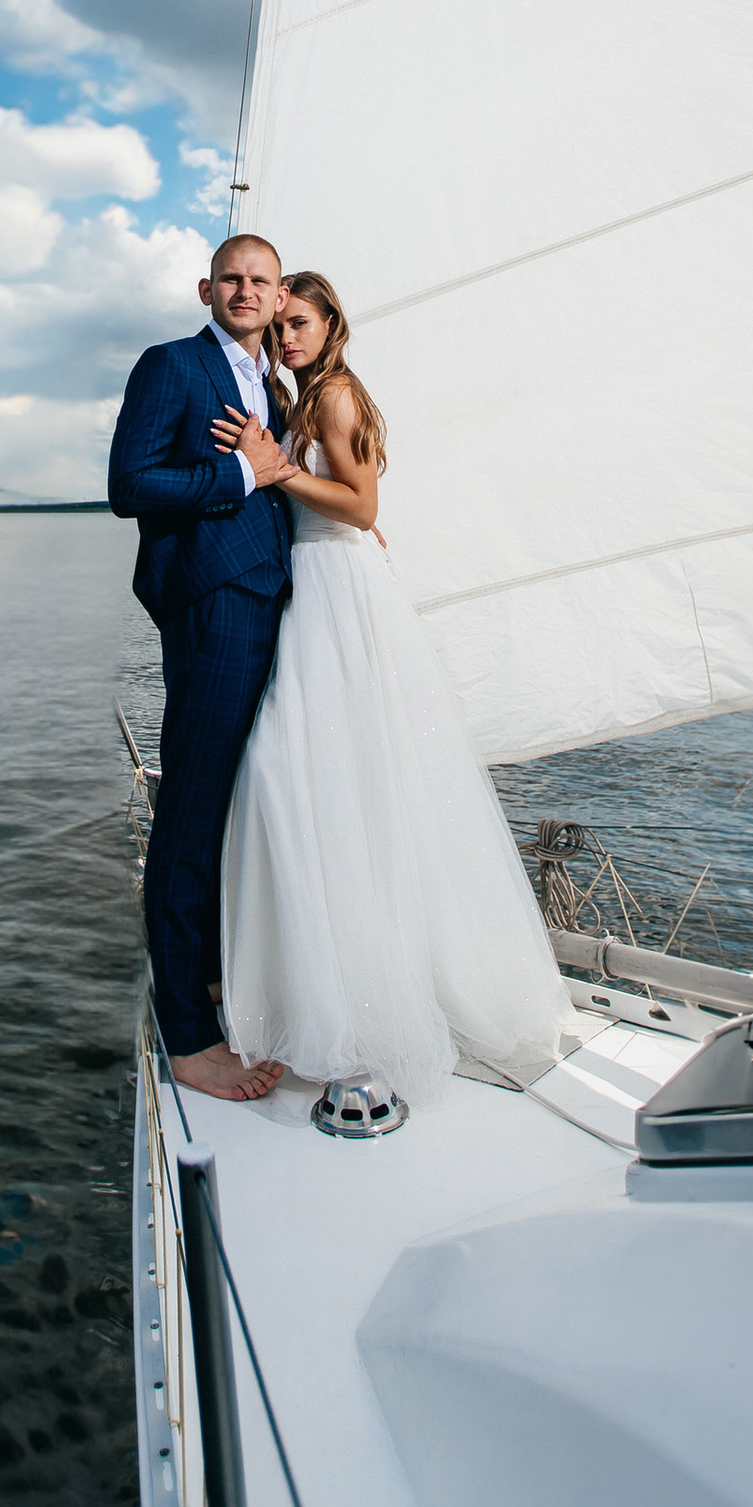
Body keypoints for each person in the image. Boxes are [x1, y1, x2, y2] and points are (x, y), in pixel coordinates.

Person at [218, 270, 575, 1107]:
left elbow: (359, 501)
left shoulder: (336, 395)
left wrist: (275, 472)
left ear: (330, 324)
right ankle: (332, 977)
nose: (287, 338)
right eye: (279, 327)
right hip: (316, 585)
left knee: (307, 768)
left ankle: (372, 995)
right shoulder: (302, 397)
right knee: (313, 773)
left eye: (299, 322)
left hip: (339, 593)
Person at [108, 232, 297, 1102]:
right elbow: (131, 486)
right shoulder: (172, 366)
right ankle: (187, 1034)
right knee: (189, 812)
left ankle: (217, 979)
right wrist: (241, 473)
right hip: (212, 601)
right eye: (231, 278)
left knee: (236, 804)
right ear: (205, 288)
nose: (245, 290)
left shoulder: (278, 382)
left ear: (279, 290)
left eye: (260, 280)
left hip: (273, 602)